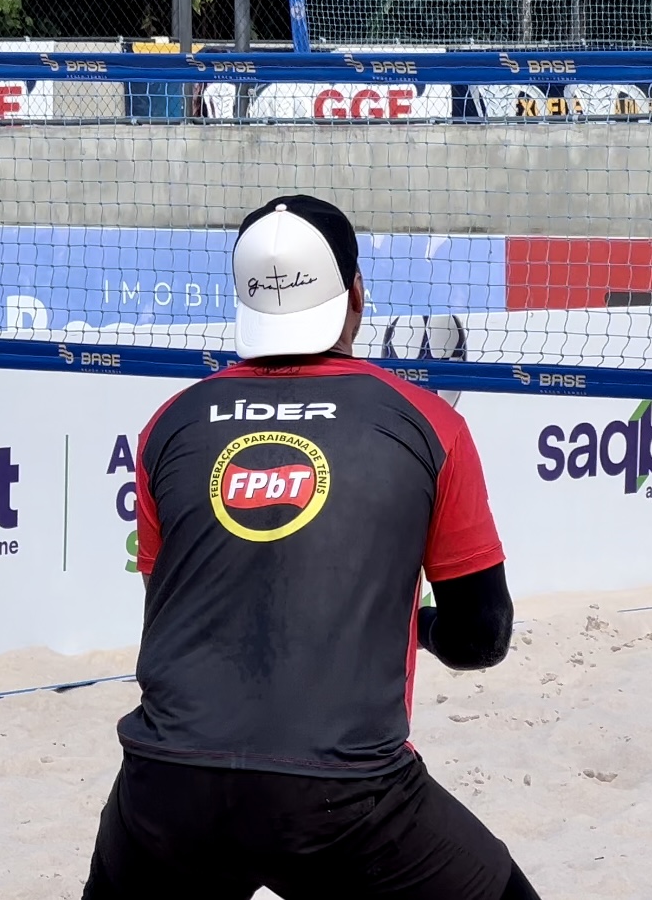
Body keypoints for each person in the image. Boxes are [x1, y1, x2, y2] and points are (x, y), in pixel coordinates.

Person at [84, 194, 537, 900]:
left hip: (169, 786)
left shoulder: (168, 425)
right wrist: (416, 627)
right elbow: (482, 638)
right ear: (357, 293)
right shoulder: (428, 424)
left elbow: (178, 611)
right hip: (345, 798)